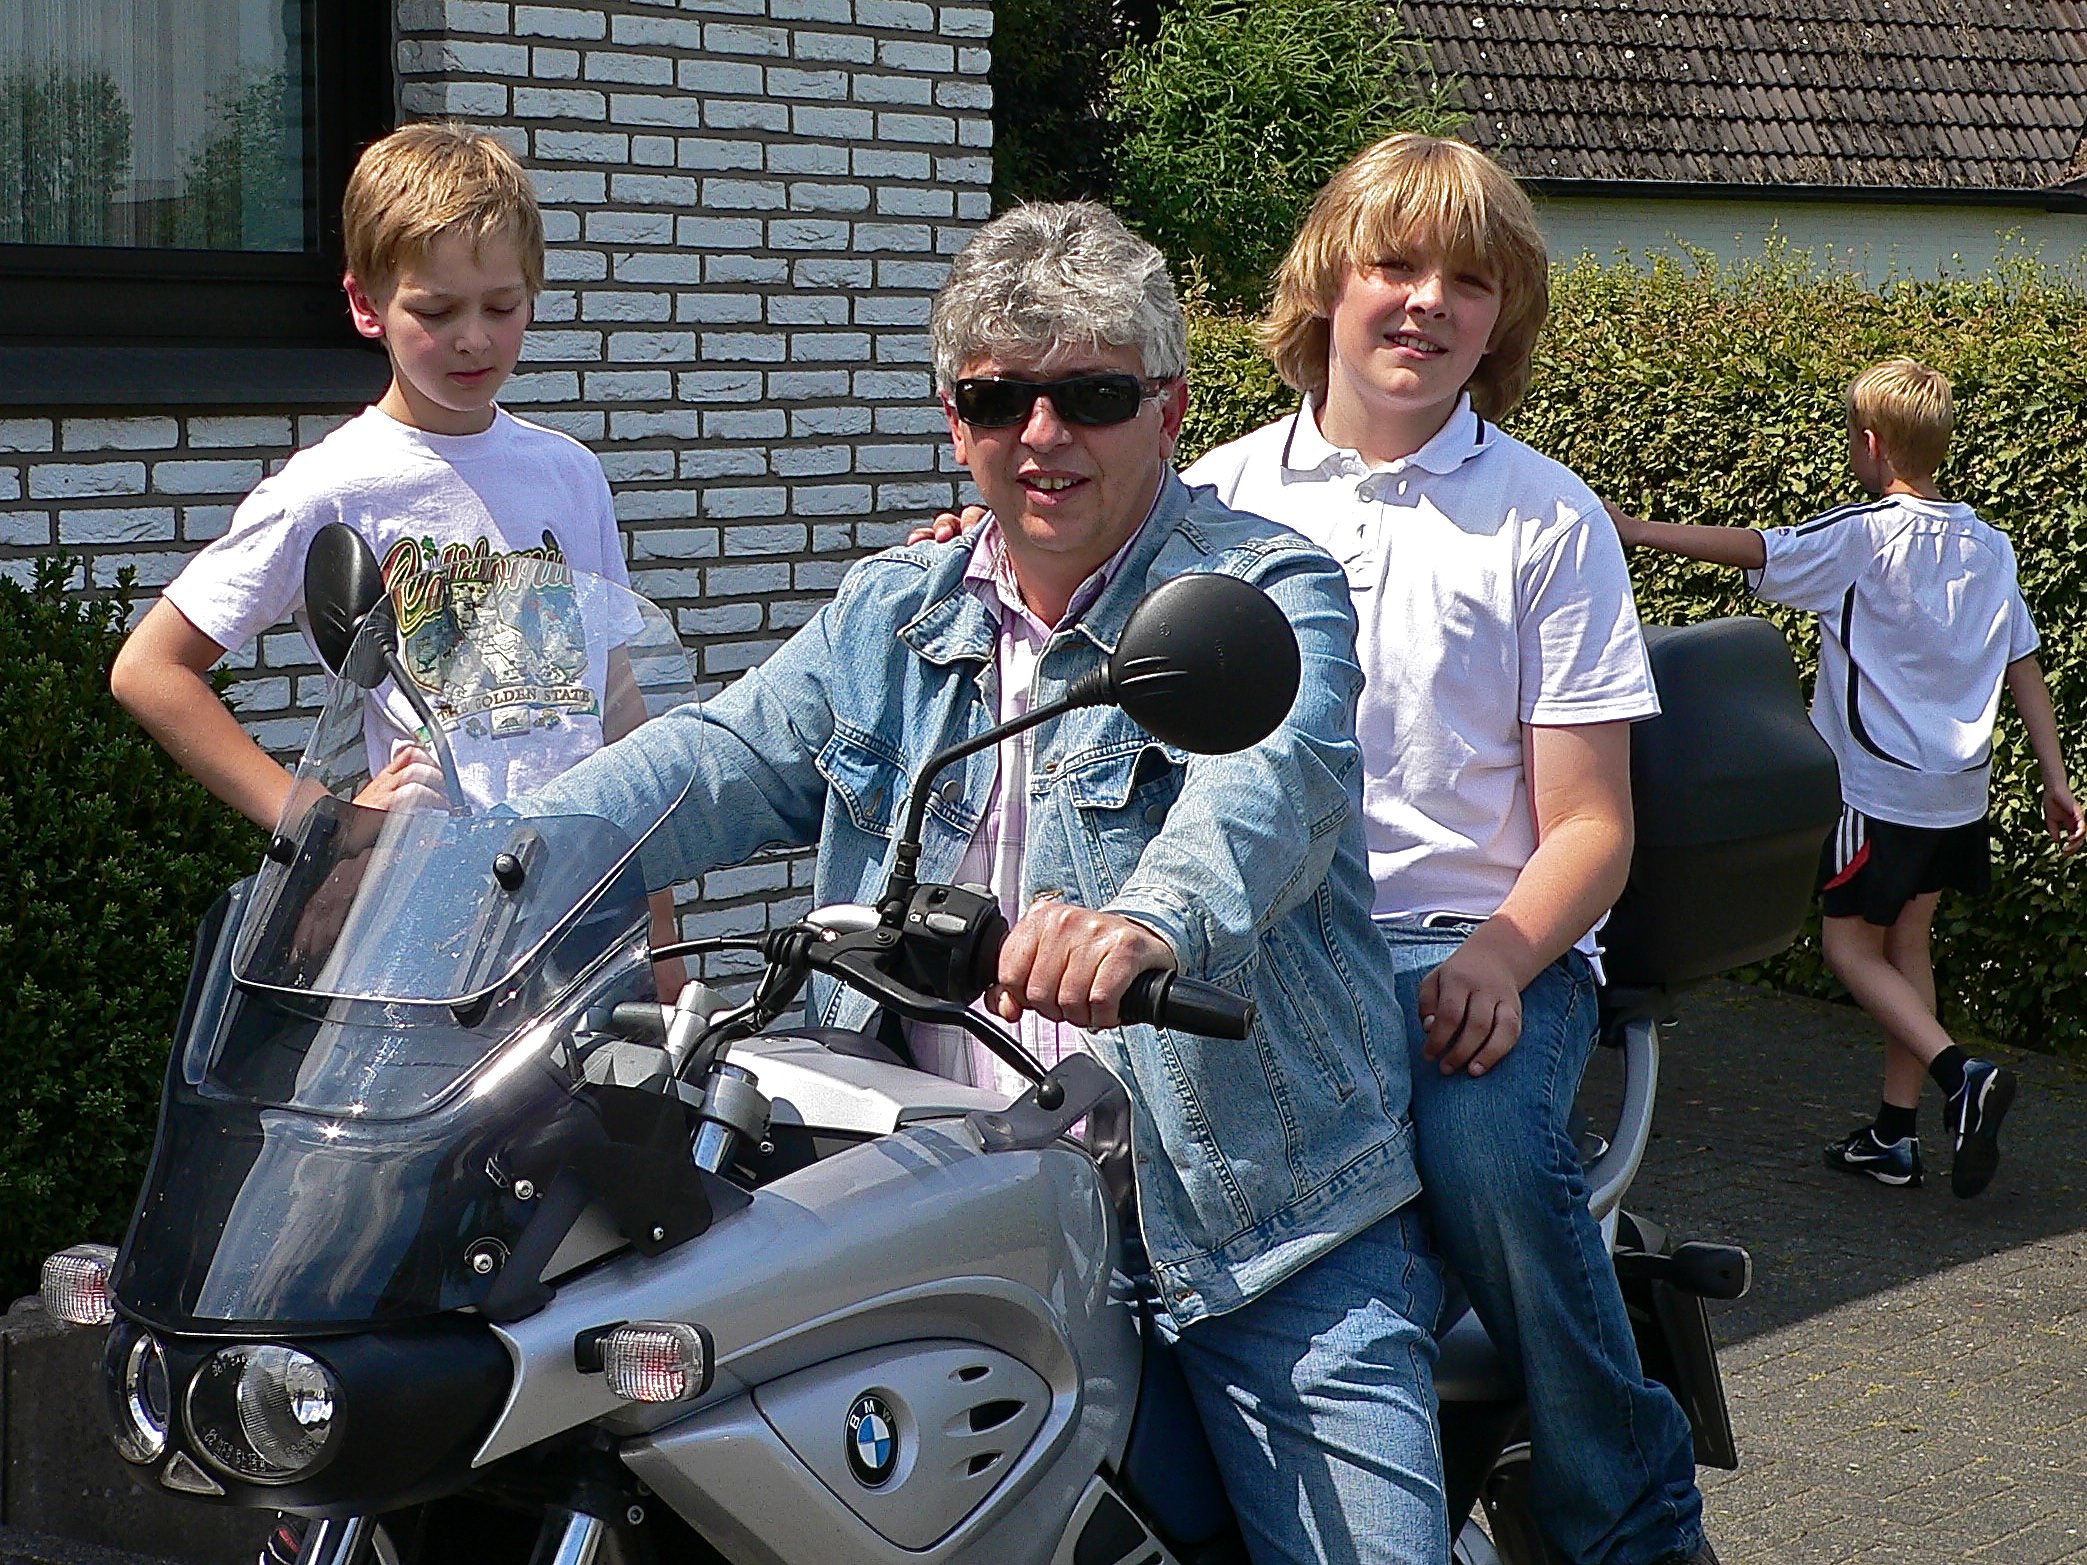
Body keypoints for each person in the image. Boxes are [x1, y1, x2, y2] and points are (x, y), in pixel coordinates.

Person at [519, 201, 1453, 1565]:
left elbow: (1267, 791)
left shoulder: (1263, 589)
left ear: (1168, 409)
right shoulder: (892, 611)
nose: (1041, 434)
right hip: (934, 1200)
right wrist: (494, 852)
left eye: (1091, 395)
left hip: (1241, 1215)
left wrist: (1142, 923)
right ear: (952, 421)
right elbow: (716, 757)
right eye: (997, 398)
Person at [1182, 133, 1715, 1565]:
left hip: (1469, 952)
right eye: (1393, 264)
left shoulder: (1545, 518)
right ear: (1326, 281)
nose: (1425, 302)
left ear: (1499, 319)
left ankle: (1628, 1511)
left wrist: (1498, 955)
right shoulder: (1212, 504)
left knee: (1480, 1143)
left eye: (1465, 281)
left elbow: (1591, 823)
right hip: (1264, 955)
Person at [1614, 356, 2083, 1198]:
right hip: (1957, 794)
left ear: (1870, 444)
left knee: (1847, 947)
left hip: (1875, 793)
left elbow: (1758, 548)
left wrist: (1638, 529)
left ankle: (1962, 1075)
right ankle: (1894, 1137)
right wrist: (2054, 778)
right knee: (1907, 945)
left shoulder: (1864, 534)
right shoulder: (1992, 546)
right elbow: (2024, 665)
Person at [110, 121, 633, 823]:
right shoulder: (330, 487)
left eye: (502, 306)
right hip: (431, 879)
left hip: (583, 873)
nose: (474, 338)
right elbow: (150, 668)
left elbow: (615, 691)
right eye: (436, 311)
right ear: (366, 305)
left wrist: (655, 865)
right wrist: (319, 819)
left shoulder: (571, 473)